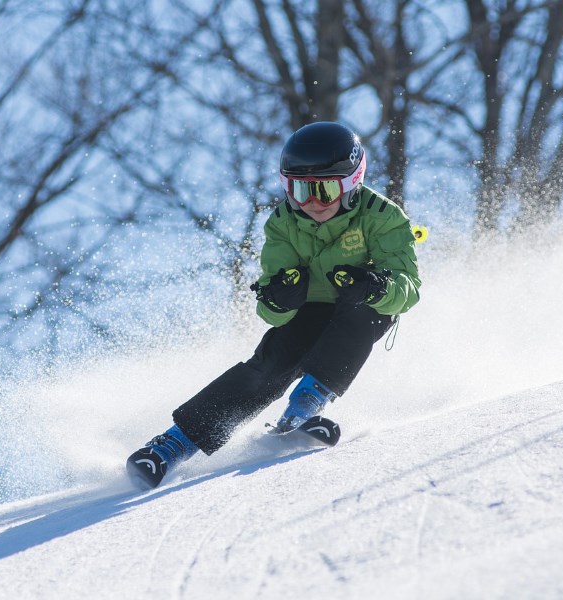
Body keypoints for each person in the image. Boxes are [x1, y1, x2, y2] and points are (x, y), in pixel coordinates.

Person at [127, 121, 421, 489]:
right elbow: (269, 309)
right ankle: (173, 445)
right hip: (309, 309)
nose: (311, 202)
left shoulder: (383, 215)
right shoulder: (283, 222)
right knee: (271, 363)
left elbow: (408, 289)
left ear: (351, 184)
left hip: (360, 306)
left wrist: (376, 286)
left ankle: (303, 408)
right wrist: (279, 298)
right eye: (299, 190)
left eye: (325, 190)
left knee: (367, 314)